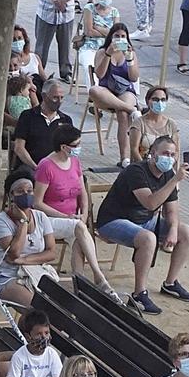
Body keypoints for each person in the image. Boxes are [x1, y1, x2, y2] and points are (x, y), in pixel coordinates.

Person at [94, 137, 189, 315]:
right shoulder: (136, 171)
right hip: (114, 220)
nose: (169, 158)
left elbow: (172, 211)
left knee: (186, 232)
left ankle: (171, 283)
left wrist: (172, 230)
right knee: (148, 239)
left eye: (173, 154)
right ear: (153, 153)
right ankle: (139, 294)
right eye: (165, 153)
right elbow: (150, 203)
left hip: (145, 221)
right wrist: (175, 181)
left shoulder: (169, 174)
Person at [34, 117, 118, 293]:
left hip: (73, 220)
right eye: (76, 144)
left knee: (80, 239)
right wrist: (66, 217)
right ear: (64, 147)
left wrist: (84, 214)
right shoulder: (46, 166)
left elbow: (82, 192)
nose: (79, 147)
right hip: (50, 219)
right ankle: (98, 275)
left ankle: (79, 284)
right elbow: (37, 202)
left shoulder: (75, 162)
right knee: (79, 228)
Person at [0, 174, 59, 304]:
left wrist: (23, 260)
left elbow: (51, 252)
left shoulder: (41, 217)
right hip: (6, 278)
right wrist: (23, 222)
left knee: (60, 305)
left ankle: (26, 324)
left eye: (29, 191)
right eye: (20, 191)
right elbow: (14, 253)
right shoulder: (0, 221)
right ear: (11, 196)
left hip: (35, 273)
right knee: (38, 307)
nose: (26, 194)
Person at [88, 24, 141, 165]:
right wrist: (108, 54)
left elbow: (134, 78)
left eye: (123, 36)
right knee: (93, 90)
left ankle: (125, 158)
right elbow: (99, 74)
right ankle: (132, 110)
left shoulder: (131, 53)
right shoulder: (102, 52)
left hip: (125, 91)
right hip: (106, 91)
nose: (120, 39)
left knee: (122, 114)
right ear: (111, 37)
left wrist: (129, 60)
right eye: (117, 36)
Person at [11, 77, 69, 171]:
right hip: (29, 166)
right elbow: (19, 148)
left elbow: (70, 149)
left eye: (61, 98)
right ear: (44, 96)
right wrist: (36, 167)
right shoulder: (27, 116)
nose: (59, 102)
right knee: (25, 184)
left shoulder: (66, 120)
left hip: (56, 167)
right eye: (55, 98)